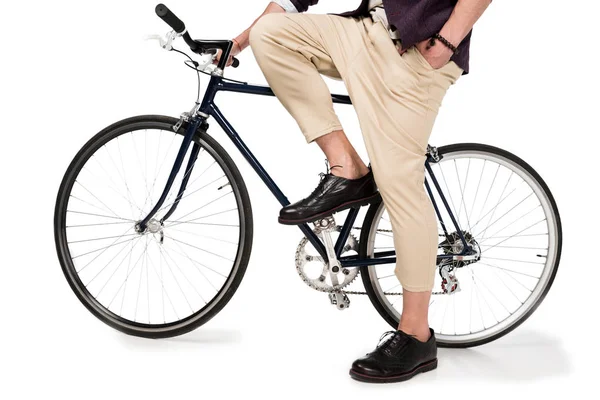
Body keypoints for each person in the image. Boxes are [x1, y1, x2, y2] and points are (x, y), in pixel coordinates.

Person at [216, 0, 492, 383]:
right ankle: (346, 166)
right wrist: (239, 43)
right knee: (272, 34)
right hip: (363, 32)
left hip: (415, 54)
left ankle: (416, 334)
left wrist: (447, 41)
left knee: (399, 183)